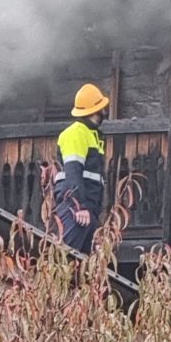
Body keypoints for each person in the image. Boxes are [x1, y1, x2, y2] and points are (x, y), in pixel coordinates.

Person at [52, 83, 109, 252]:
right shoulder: (76, 133)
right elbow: (73, 172)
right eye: (102, 109)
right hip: (76, 210)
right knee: (66, 257)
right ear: (94, 111)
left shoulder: (91, 135)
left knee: (80, 266)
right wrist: (79, 207)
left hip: (88, 210)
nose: (104, 113)